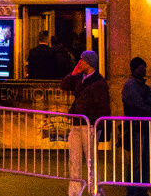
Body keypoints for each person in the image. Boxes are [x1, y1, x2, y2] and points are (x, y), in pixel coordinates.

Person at [62, 50, 108, 196]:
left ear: (89, 63)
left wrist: (99, 126)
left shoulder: (99, 82)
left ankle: (95, 190)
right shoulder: (78, 78)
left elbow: (103, 107)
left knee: (91, 162)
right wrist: (73, 73)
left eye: (82, 60)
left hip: (90, 125)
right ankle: (74, 192)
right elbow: (64, 85)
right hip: (77, 123)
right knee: (74, 160)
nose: (79, 62)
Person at [122, 57, 151, 196]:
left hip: (146, 127)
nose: (144, 69)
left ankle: (142, 189)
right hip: (136, 128)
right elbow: (139, 104)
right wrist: (150, 104)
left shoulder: (145, 87)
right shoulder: (130, 85)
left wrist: (150, 103)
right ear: (134, 69)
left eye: (144, 66)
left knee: (145, 160)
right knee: (137, 161)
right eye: (141, 67)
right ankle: (133, 190)